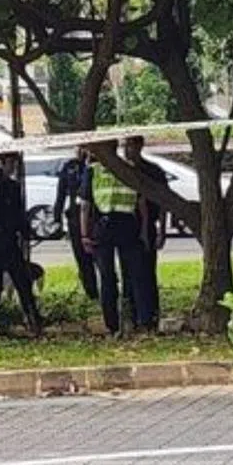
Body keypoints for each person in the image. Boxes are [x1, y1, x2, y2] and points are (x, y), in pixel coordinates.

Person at [80, 142, 155, 335]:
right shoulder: (125, 168)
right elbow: (141, 204)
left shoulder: (95, 170)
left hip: (110, 225)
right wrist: (144, 231)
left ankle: (117, 324)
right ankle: (137, 321)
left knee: (113, 277)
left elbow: (85, 206)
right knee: (128, 275)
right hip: (122, 225)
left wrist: (84, 234)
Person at [0, 152, 43, 335]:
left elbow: (18, 213)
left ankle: (32, 318)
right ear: (1, 164)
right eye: (10, 163)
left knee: (22, 282)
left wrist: (26, 232)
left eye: (15, 164)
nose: (13, 168)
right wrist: (0, 175)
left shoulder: (15, 186)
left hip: (10, 240)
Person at [124, 136, 168, 321]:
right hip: (126, 225)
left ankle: (150, 313)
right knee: (127, 272)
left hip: (147, 225)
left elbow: (164, 200)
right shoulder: (122, 171)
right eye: (125, 145)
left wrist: (162, 230)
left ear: (140, 146)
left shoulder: (153, 171)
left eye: (131, 145)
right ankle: (131, 313)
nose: (127, 149)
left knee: (147, 271)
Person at [54, 149, 99, 300]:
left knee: (99, 256)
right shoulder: (69, 167)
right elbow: (61, 193)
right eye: (79, 148)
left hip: (95, 215)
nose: (81, 151)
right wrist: (57, 217)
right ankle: (91, 291)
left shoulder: (97, 165)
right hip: (75, 216)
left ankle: (108, 288)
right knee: (81, 257)